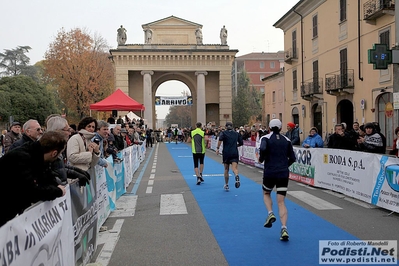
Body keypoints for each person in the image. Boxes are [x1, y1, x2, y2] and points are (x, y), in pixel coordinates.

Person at [0, 131, 67, 227]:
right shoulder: (22, 158)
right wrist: (57, 191)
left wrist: (56, 185)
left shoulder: (37, 155)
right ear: (54, 153)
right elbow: (31, 192)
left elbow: (46, 174)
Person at [259, 119, 296, 241]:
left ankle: (270, 213)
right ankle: (284, 228)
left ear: (269, 127)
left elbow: (263, 149)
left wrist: (261, 159)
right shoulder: (287, 140)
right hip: (283, 172)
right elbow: (292, 158)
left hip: (270, 171)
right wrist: (285, 165)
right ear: (281, 128)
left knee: (266, 193)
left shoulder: (265, 138)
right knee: (281, 202)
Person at [216, 122, 243, 191]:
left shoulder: (223, 133)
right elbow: (241, 143)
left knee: (226, 169)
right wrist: (236, 146)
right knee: (234, 167)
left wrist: (217, 148)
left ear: (226, 127)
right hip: (234, 152)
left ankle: (227, 184)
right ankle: (236, 176)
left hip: (226, 152)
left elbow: (220, 140)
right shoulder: (236, 133)